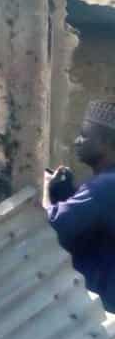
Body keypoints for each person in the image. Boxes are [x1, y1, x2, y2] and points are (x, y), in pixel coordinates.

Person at [47, 100, 115, 313]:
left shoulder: (105, 186)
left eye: (84, 135)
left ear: (105, 142)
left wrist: (44, 195)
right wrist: (63, 195)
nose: (77, 141)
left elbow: (52, 225)